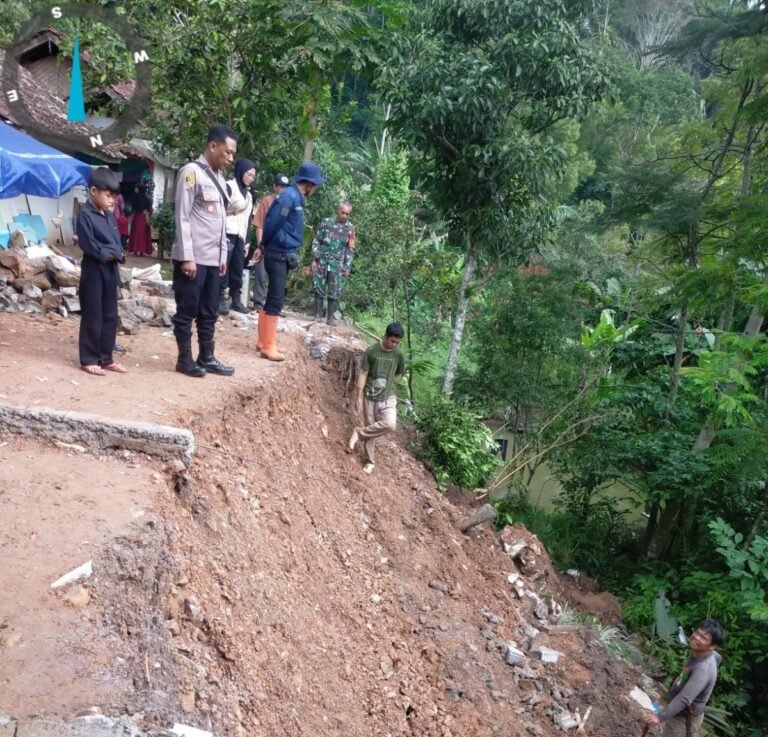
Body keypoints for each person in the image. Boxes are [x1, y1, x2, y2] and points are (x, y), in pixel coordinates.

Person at [171, 123, 237, 378]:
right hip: (193, 259)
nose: (231, 158)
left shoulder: (219, 178)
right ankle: (184, 358)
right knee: (187, 309)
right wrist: (187, 257)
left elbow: (220, 224)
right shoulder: (191, 173)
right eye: (228, 152)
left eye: (233, 154)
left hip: (212, 260)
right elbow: (183, 216)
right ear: (212, 146)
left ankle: (206, 356)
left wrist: (222, 256)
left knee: (209, 310)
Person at [252, 161, 325, 362]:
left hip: (280, 252)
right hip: (278, 253)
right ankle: (268, 346)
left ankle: (265, 341)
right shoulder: (290, 197)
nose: (315, 189)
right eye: (316, 185)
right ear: (309, 184)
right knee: (276, 299)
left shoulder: (294, 197)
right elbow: (273, 222)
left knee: (271, 298)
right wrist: (262, 246)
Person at [76, 167, 127, 376]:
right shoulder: (85, 215)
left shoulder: (109, 217)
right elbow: (91, 246)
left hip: (110, 271)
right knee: (93, 314)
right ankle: (88, 358)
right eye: (108, 195)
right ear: (94, 191)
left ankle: (106, 357)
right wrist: (111, 253)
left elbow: (118, 244)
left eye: (114, 196)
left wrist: (114, 253)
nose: (112, 200)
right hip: (93, 271)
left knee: (110, 315)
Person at [643, 619, 725, 736]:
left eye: (703, 638)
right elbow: (718, 658)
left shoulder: (702, 670)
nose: (696, 637)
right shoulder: (705, 654)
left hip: (684, 718)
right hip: (678, 709)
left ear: (712, 646)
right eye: (697, 633)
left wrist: (659, 718)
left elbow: (684, 699)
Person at [347, 322, 405, 474]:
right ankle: (370, 461)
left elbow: (399, 374)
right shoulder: (372, 351)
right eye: (392, 341)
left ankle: (358, 433)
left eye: (397, 342)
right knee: (371, 426)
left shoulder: (398, 354)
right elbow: (363, 374)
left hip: (388, 396)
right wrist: (359, 397)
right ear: (385, 336)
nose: (394, 344)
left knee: (390, 424)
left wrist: (388, 384)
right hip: (369, 396)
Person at [219, 158, 256, 315]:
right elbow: (219, 212)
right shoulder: (229, 187)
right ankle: (219, 298)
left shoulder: (249, 195)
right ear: (241, 172)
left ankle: (236, 299)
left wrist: (247, 241)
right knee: (223, 268)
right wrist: (220, 234)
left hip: (240, 236)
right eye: (249, 174)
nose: (251, 178)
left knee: (237, 267)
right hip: (227, 233)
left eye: (253, 176)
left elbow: (248, 219)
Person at [311, 200, 355, 325]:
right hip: (322, 260)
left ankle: (330, 318)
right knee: (318, 286)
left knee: (334, 290)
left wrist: (347, 268)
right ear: (338, 210)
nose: (344, 216)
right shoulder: (326, 223)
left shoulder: (350, 228)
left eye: (347, 214)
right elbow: (316, 241)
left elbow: (350, 249)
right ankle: (318, 315)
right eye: (343, 213)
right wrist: (314, 259)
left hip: (337, 264)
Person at [250, 173, 289, 312]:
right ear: (275, 186)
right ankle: (258, 303)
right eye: (280, 186)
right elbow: (259, 224)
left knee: (277, 277)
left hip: (280, 246)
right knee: (261, 274)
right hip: (266, 244)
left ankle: (273, 306)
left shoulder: (289, 202)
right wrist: (261, 245)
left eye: (285, 187)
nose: (282, 189)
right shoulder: (267, 201)